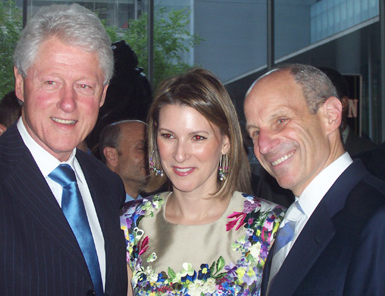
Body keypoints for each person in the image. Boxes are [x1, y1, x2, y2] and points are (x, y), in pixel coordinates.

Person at [0, 4, 127, 295]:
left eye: (84, 86)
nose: (67, 103)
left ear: (102, 94)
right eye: (51, 82)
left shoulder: (109, 185)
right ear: (20, 84)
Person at [120, 68, 285, 295]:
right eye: (168, 136)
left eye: (197, 137)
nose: (180, 154)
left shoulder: (269, 225)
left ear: (226, 142)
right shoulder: (130, 223)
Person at [244, 63, 385, 296]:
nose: (264, 146)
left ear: (331, 116)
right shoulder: (293, 217)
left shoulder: (376, 219)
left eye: (281, 120)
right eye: (255, 132)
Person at [318, 67, 377, 156]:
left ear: (343, 104)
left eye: (321, 101)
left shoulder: (371, 153)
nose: (313, 109)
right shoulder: (300, 150)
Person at [99, 120, 148, 202]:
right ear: (111, 156)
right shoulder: (93, 206)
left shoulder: (155, 208)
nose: (152, 157)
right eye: (141, 148)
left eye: (154, 149)